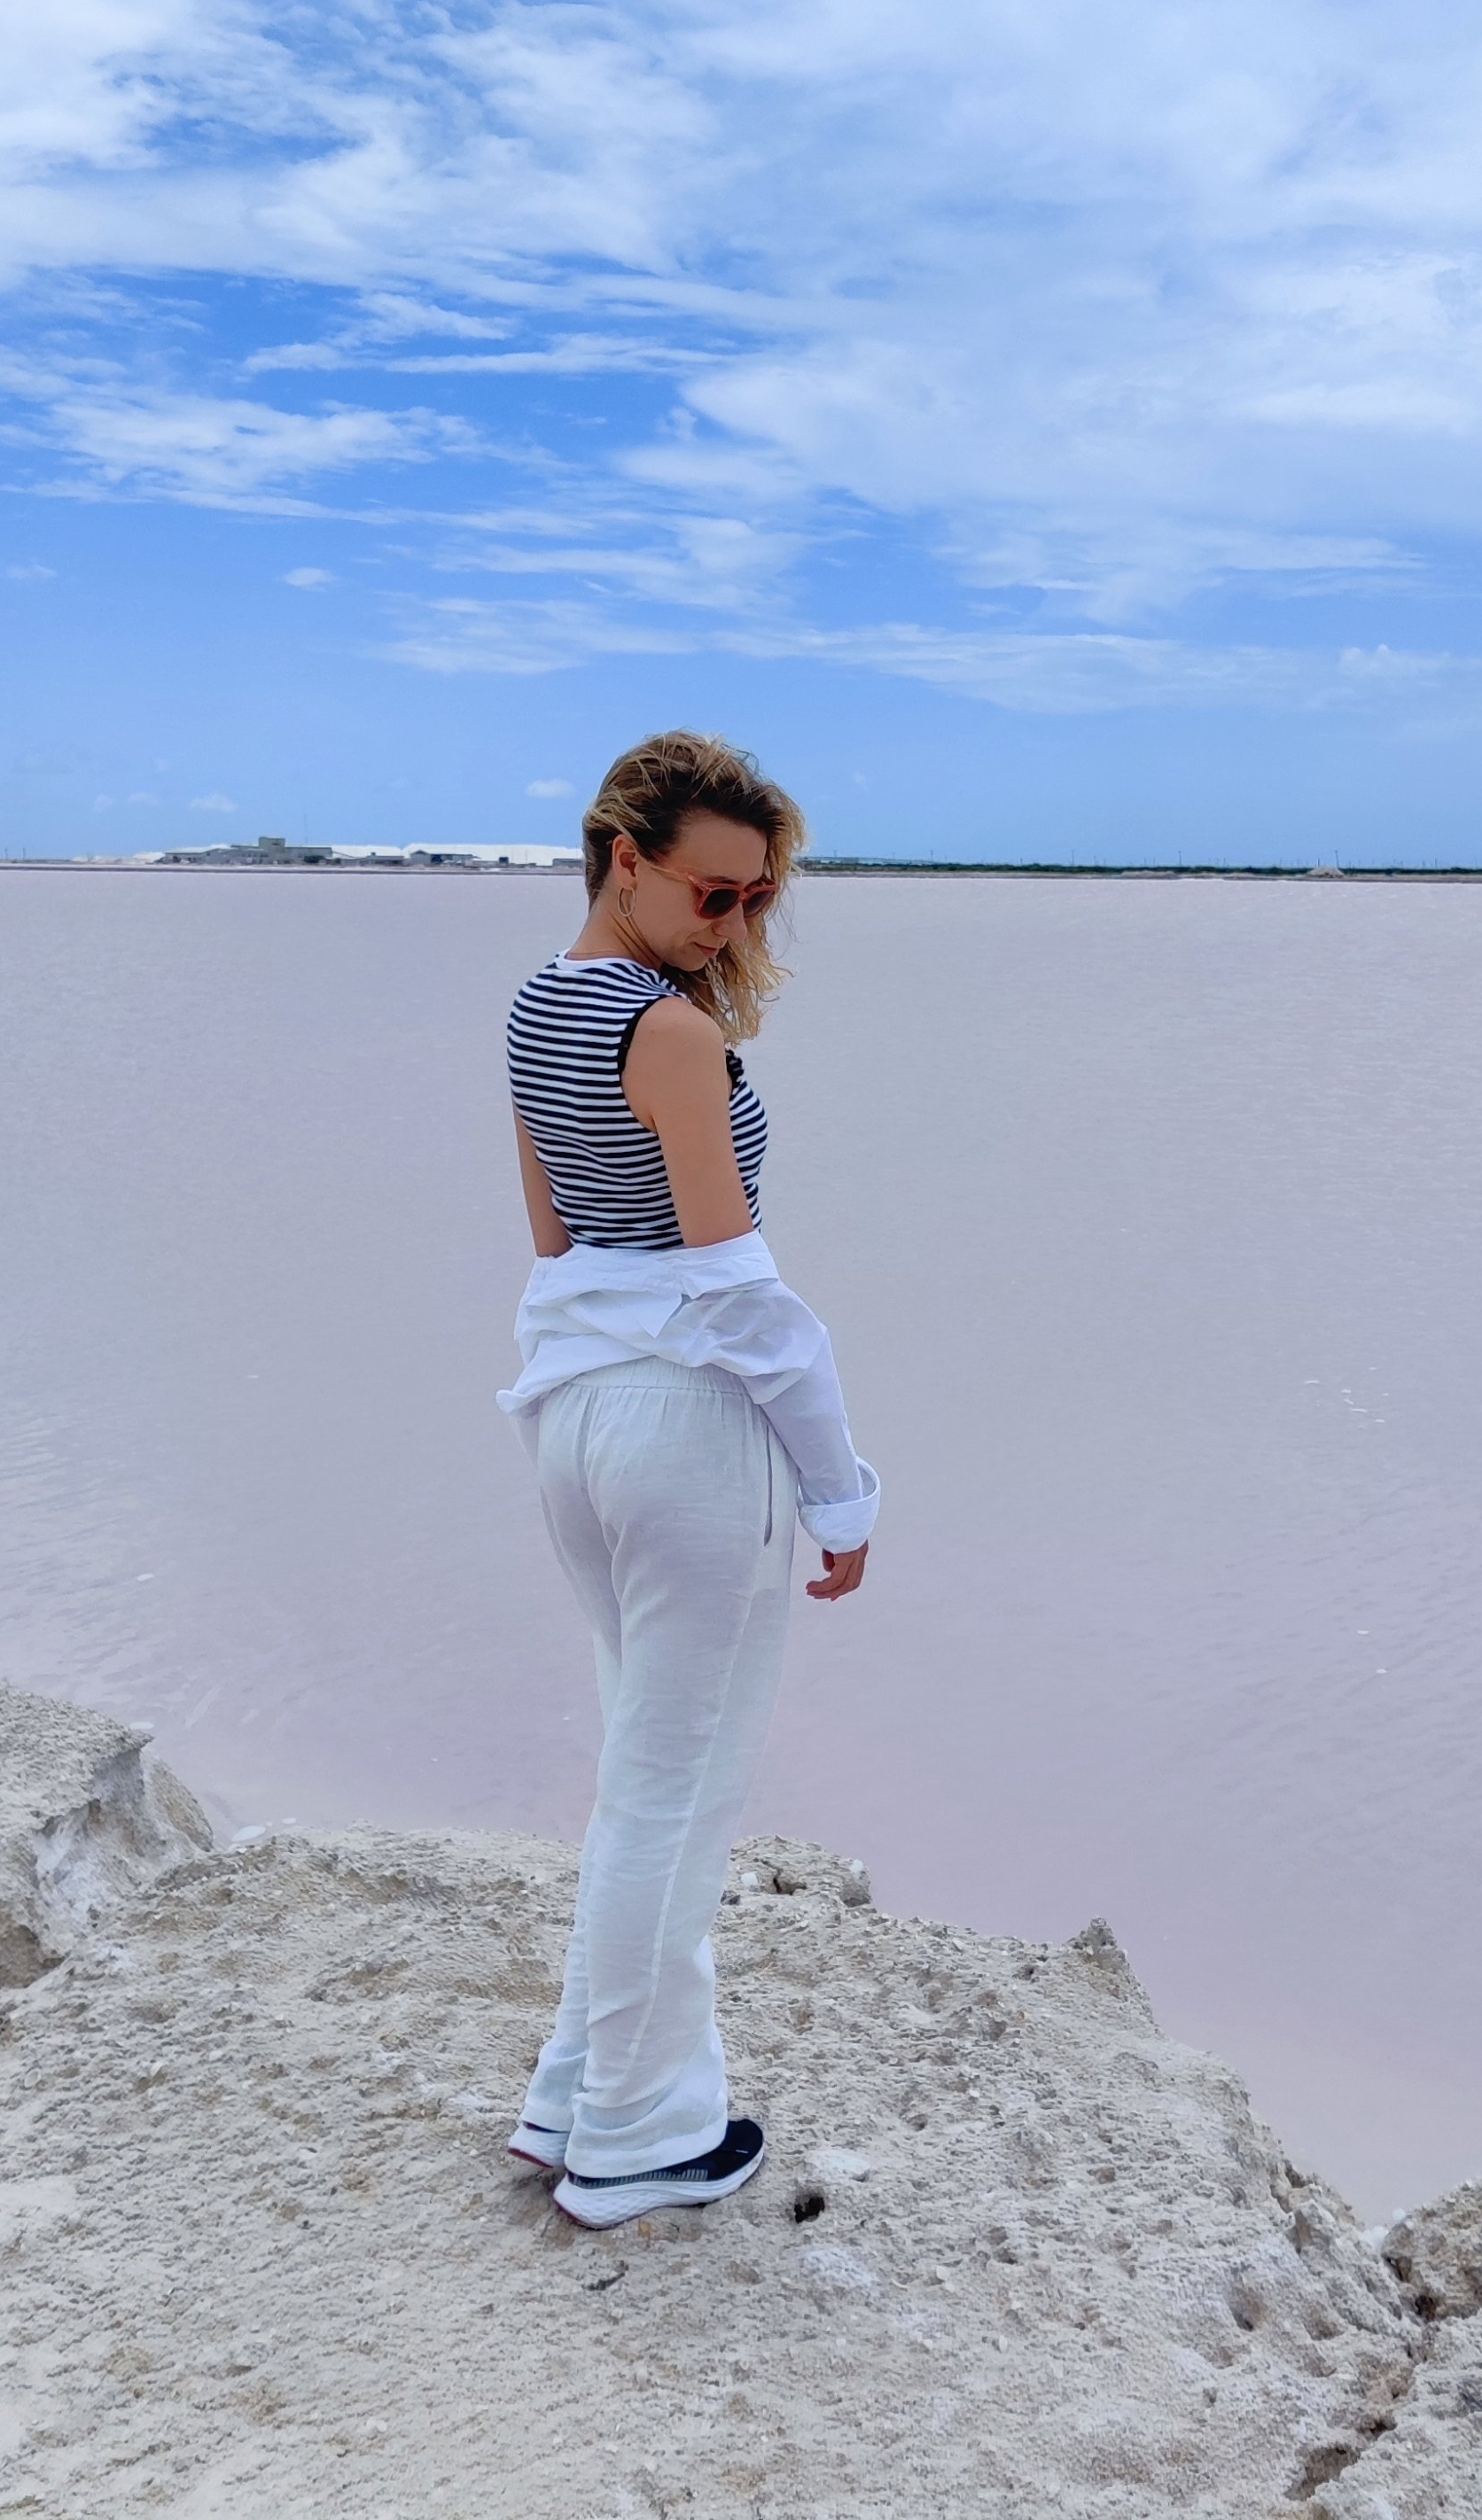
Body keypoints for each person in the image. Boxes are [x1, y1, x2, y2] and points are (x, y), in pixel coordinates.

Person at [496, 730, 880, 2229]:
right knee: (677, 1796)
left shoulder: (539, 1006)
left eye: (757, 900)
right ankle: (640, 2140)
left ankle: (573, 2097)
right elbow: (739, 1294)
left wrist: (587, 1397)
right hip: (687, 1431)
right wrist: (840, 1488)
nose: (731, 925)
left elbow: (557, 1244)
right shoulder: (667, 1034)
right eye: (711, 893)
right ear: (626, 859)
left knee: (640, 1779)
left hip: (574, 1416)